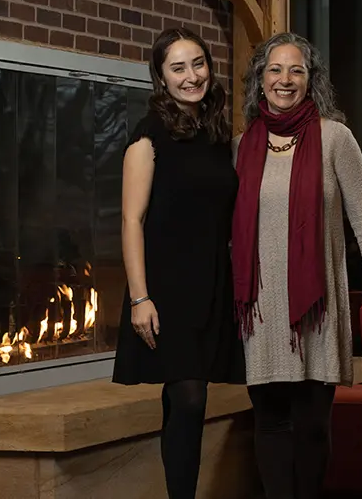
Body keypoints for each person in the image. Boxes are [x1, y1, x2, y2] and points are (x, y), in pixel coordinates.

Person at [231, 32, 362, 499]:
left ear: (311, 80)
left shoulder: (335, 138)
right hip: (262, 312)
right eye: (275, 70)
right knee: (269, 422)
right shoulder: (244, 145)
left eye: (296, 70)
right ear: (260, 80)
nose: (285, 80)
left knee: (310, 426)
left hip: (317, 307)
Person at [112, 27, 245, 499]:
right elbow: (131, 221)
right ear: (161, 78)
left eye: (198, 64)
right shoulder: (148, 137)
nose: (192, 76)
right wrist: (140, 297)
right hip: (166, 288)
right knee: (189, 397)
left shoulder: (214, 136)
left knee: (186, 399)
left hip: (210, 282)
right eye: (178, 68)